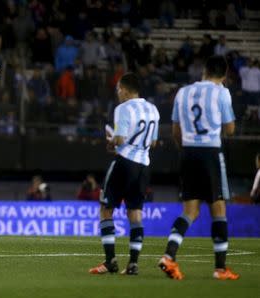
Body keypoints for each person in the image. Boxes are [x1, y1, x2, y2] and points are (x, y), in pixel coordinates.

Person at [158, 56, 239, 280]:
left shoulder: (183, 92)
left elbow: (175, 130)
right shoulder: (221, 92)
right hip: (210, 153)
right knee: (219, 210)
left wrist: (185, 148)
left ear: (203, 71)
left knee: (190, 211)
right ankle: (220, 269)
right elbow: (230, 129)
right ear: (224, 75)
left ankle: (169, 256)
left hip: (188, 153)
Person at [89, 73, 160, 275]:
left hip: (124, 163)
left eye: (119, 89)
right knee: (135, 213)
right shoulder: (153, 109)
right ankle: (133, 264)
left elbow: (119, 140)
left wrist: (111, 140)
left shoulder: (123, 108)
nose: (118, 92)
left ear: (126, 90)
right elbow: (153, 143)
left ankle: (111, 261)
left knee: (105, 209)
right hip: (144, 165)